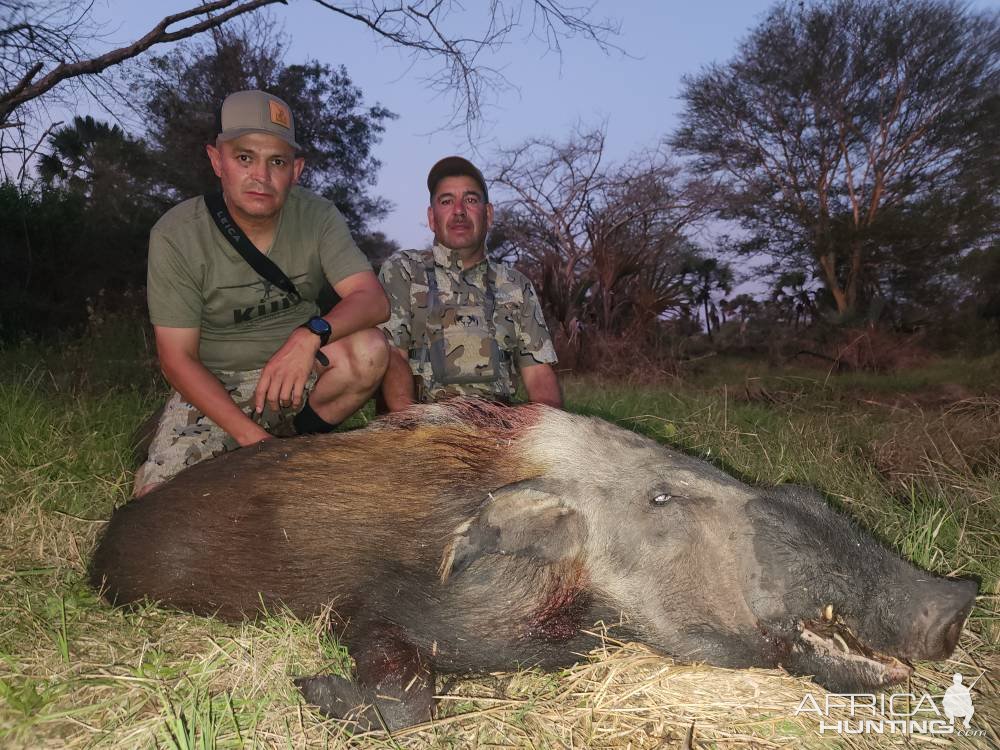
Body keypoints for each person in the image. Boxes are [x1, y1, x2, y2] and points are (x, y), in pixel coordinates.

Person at [135, 90, 389, 496]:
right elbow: (176, 360)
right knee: (159, 503)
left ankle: (295, 442)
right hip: (215, 383)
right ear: (217, 160)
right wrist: (257, 446)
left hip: (296, 370)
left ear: (296, 170)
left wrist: (309, 336)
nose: (261, 176)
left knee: (371, 349)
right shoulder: (176, 234)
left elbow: (372, 299)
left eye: (277, 161)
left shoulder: (317, 215)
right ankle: (259, 447)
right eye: (244, 157)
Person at [378, 156, 561, 411]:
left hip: (496, 427)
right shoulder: (403, 271)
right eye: (446, 201)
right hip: (421, 425)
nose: (459, 211)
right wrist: (408, 430)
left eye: (471, 200)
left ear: (488, 214)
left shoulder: (516, 285)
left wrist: (551, 435)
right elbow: (391, 355)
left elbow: (538, 373)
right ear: (432, 218)